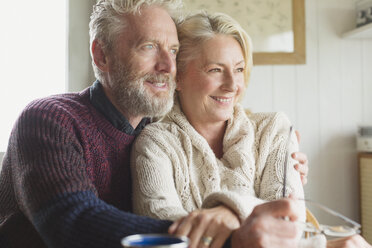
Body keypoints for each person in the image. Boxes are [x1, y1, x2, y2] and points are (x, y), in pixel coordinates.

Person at [0, 1, 324, 248]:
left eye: (173, 50)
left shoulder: (159, 131)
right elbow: (73, 222)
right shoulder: (50, 119)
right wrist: (226, 237)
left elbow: (210, 198)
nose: (168, 66)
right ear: (101, 56)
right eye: (149, 47)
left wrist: (284, 169)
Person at [130, 10, 372, 248]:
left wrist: (232, 213)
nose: (233, 85)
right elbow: (166, 228)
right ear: (178, 77)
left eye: (238, 69)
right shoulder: (155, 143)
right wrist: (237, 210)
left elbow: (288, 221)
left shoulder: (274, 128)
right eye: (215, 69)